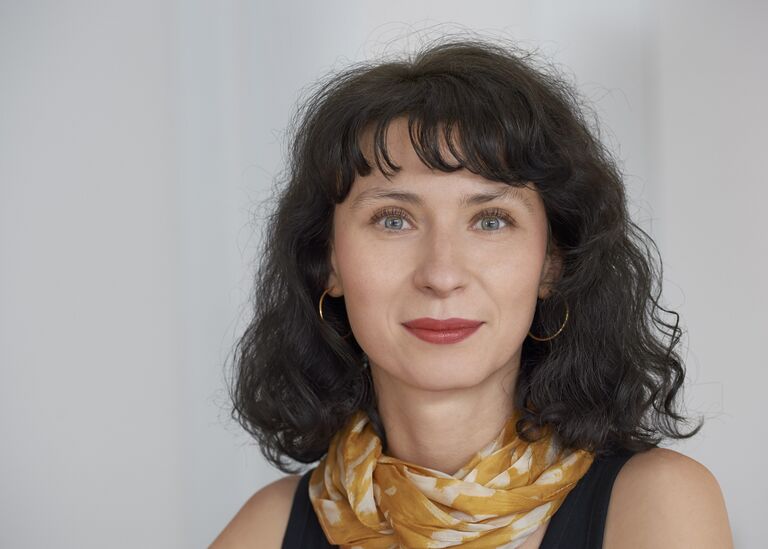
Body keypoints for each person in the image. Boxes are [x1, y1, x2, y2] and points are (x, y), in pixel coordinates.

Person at [210, 37, 734, 548]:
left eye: (491, 220)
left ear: (552, 263)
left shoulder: (658, 501)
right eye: (393, 219)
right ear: (328, 261)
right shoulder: (269, 528)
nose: (441, 274)